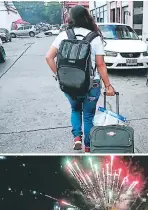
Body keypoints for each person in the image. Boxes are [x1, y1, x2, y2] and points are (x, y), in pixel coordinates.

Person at [45, 5, 116, 153]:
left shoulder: (63, 35)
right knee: (89, 115)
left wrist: (60, 76)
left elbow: (49, 57)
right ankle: (88, 147)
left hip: (69, 83)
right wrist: (108, 85)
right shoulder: (94, 37)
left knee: (75, 109)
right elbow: (101, 64)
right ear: (86, 17)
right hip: (92, 84)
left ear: (70, 18)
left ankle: (77, 138)